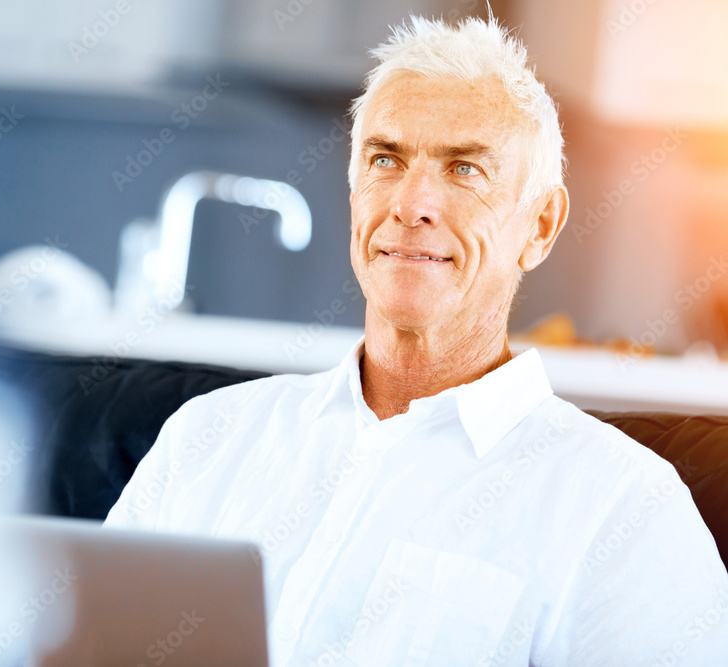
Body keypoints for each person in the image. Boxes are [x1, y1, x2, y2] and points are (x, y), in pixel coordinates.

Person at [104, 14, 728, 666]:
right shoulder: (206, 436)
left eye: (464, 169)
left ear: (540, 225)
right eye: (386, 159)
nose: (411, 204)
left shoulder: (626, 508)